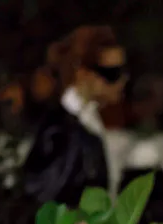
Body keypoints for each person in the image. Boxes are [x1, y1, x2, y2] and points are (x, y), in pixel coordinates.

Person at [21, 25, 127, 207]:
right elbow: (42, 200)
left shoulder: (88, 120)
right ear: (82, 73)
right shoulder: (60, 131)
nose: (122, 80)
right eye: (112, 74)